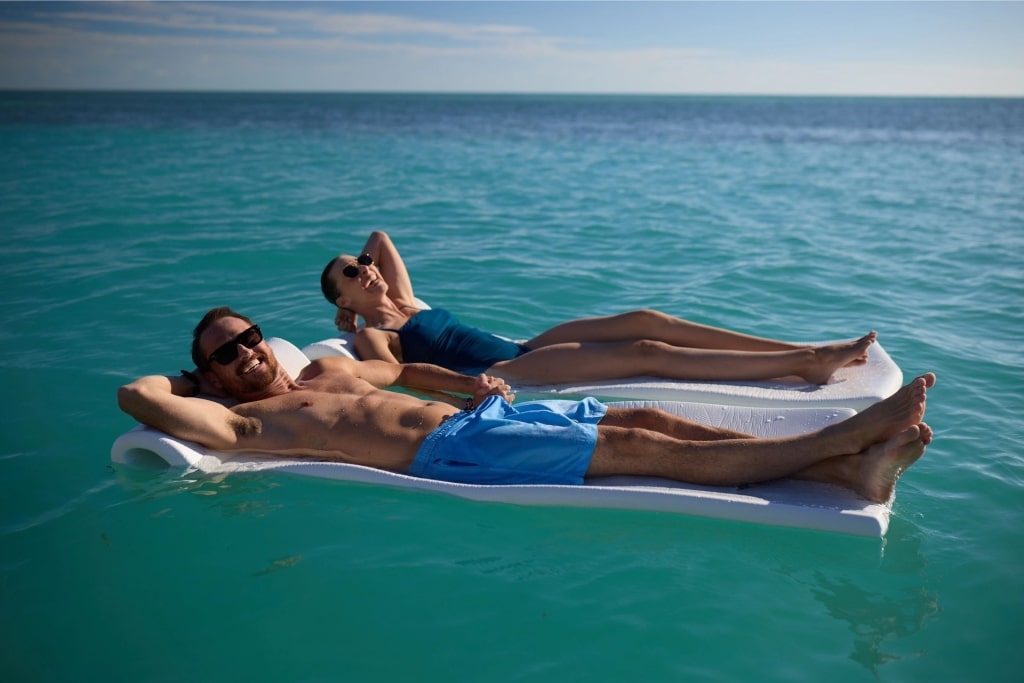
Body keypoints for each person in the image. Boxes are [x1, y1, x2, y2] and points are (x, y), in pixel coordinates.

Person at [118, 307, 934, 504]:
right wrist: (193, 383)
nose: (250, 351)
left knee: (650, 423)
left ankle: (851, 468)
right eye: (228, 353)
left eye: (251, 336)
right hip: (454, 458)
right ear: (214, 378)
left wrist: (473, 384)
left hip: (481, 419)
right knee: (657, 458)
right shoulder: (241, 419)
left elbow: (412, 376)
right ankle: (846, 435)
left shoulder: (327, 374)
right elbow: (136, 394)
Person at [320, 231, 878, 386]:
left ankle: (803, 348)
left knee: (647, 318)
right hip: (505, 370)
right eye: (352, 271)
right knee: (647, 351)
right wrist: (354, 328)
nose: (366, 266)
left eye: (363, 261)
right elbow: (392, 373)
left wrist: (366, 265)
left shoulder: (408, 298)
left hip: (524, 345)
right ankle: (803, 364)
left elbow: (381, 235)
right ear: (344, 300)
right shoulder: (381, 332)